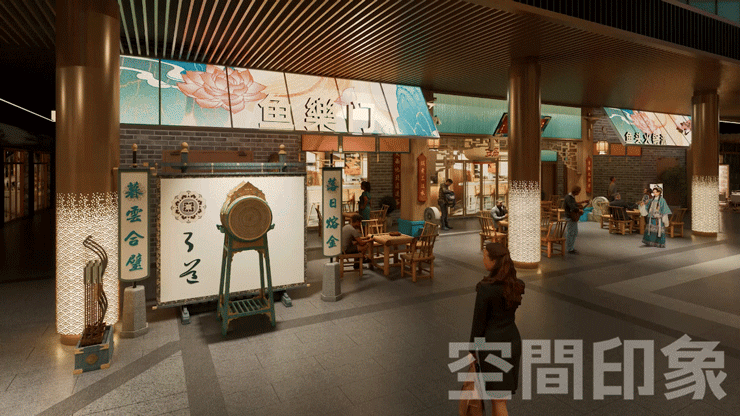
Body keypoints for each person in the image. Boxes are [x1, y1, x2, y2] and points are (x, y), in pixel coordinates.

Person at [469, 242, 525, 416]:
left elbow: (478, 324)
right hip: (513, 342)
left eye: (485, 256)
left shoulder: (486, 289)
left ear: (494, 261)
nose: (483, 259)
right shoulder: (517, 285)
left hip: (493, 347)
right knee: (500, 397)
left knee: (498, 399)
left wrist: (473, 350)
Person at [563, 185, 584, 254]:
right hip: (570, 216)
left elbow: (574, 204)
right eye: (579, 192)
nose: (579, 193)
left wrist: (581, 204)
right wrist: (579, 210)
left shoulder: (572, 197)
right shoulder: (568, 197)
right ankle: (569, 248)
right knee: (570, 233)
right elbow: (572, 207)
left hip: (573, 217)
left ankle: (571, 247)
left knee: (574, 232)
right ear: (576, 191)